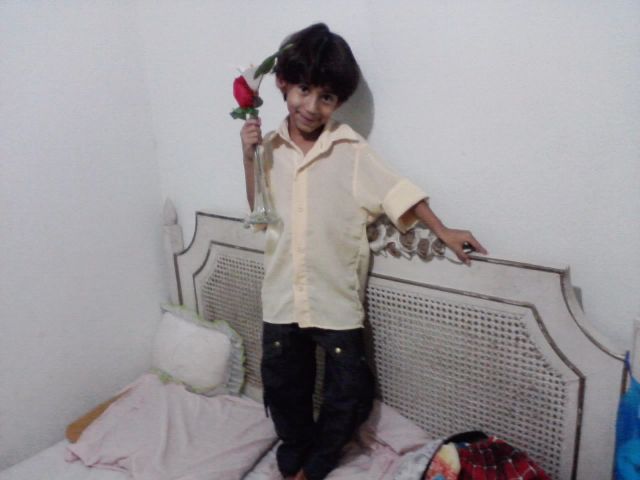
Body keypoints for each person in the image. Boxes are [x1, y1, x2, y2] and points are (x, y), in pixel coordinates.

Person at [239, 23, 487, 480]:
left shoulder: (350, 150)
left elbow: (396, 191)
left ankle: (322, 457)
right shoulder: (268, 148)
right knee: (283, 384)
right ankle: (295, 447)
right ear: (283, 84)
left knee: (348, 388)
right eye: (304, 90)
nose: (311, 106)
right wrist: (246, 155)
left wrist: (443, 231)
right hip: (282, 296)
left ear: (338, 102)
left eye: (327, 97)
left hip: (334, 299)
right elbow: (259, 209)